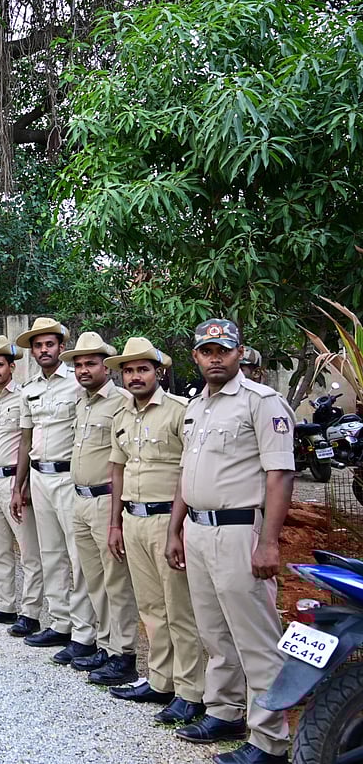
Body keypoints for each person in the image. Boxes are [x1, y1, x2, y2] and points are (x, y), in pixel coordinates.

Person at [166, 319, 295, 764]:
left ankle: (270, 740)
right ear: (196, 357)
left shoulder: (261, 402)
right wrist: (175, 529)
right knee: (214, 631)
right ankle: (224, 711)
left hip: (241, 531)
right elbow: (186, 474)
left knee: (255, 637)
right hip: (198, 531)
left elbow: (279, 474)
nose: (214, 357)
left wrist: (270, 543)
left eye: (223, 349)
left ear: (241, 353)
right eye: (206, 350)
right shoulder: (195, 407)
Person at [105, 337, 205, 726]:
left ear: (158, 372)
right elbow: (117, 470)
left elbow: (187, 472)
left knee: (179, 609)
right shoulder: (122, 417)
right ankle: (161, 682)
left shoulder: (180, 411)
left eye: (142, 369)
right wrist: (115, 522)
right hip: (132, 518)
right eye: (128, 370)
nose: (134, 376)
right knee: (150, 608)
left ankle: (191, 691)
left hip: (169, 520)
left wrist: (177, 529)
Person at [12, 317, 99, 662]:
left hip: (68, 479)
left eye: (50, 344)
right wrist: (18, 486)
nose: (43, 350)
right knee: (50, 555)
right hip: (38, 477)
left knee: (78, 557)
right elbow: (25, 440)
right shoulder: (28, 388)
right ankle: (60, 623)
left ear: (62, 347)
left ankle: (83, 634)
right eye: (38, 345)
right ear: (32, 351)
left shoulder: (76, 385)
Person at [60, 332, 140, 684]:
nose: (83, 370)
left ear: (106, 367)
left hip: (107, 499)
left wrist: (116, 518)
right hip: (79, 498)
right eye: (78, 364)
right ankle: (105, 647)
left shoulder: (121, 402)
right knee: (94, 580)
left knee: (116, 582)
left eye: (90, 363)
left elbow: (123, 460)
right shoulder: (82, 402)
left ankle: (125, 655)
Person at [0, 335, 44, 633]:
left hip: (14, 481)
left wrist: (22, 485)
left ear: (12, 366)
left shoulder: (24, 397)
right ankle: (5, 606)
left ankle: (30, 613)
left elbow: (28, 445)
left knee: (29, 552)